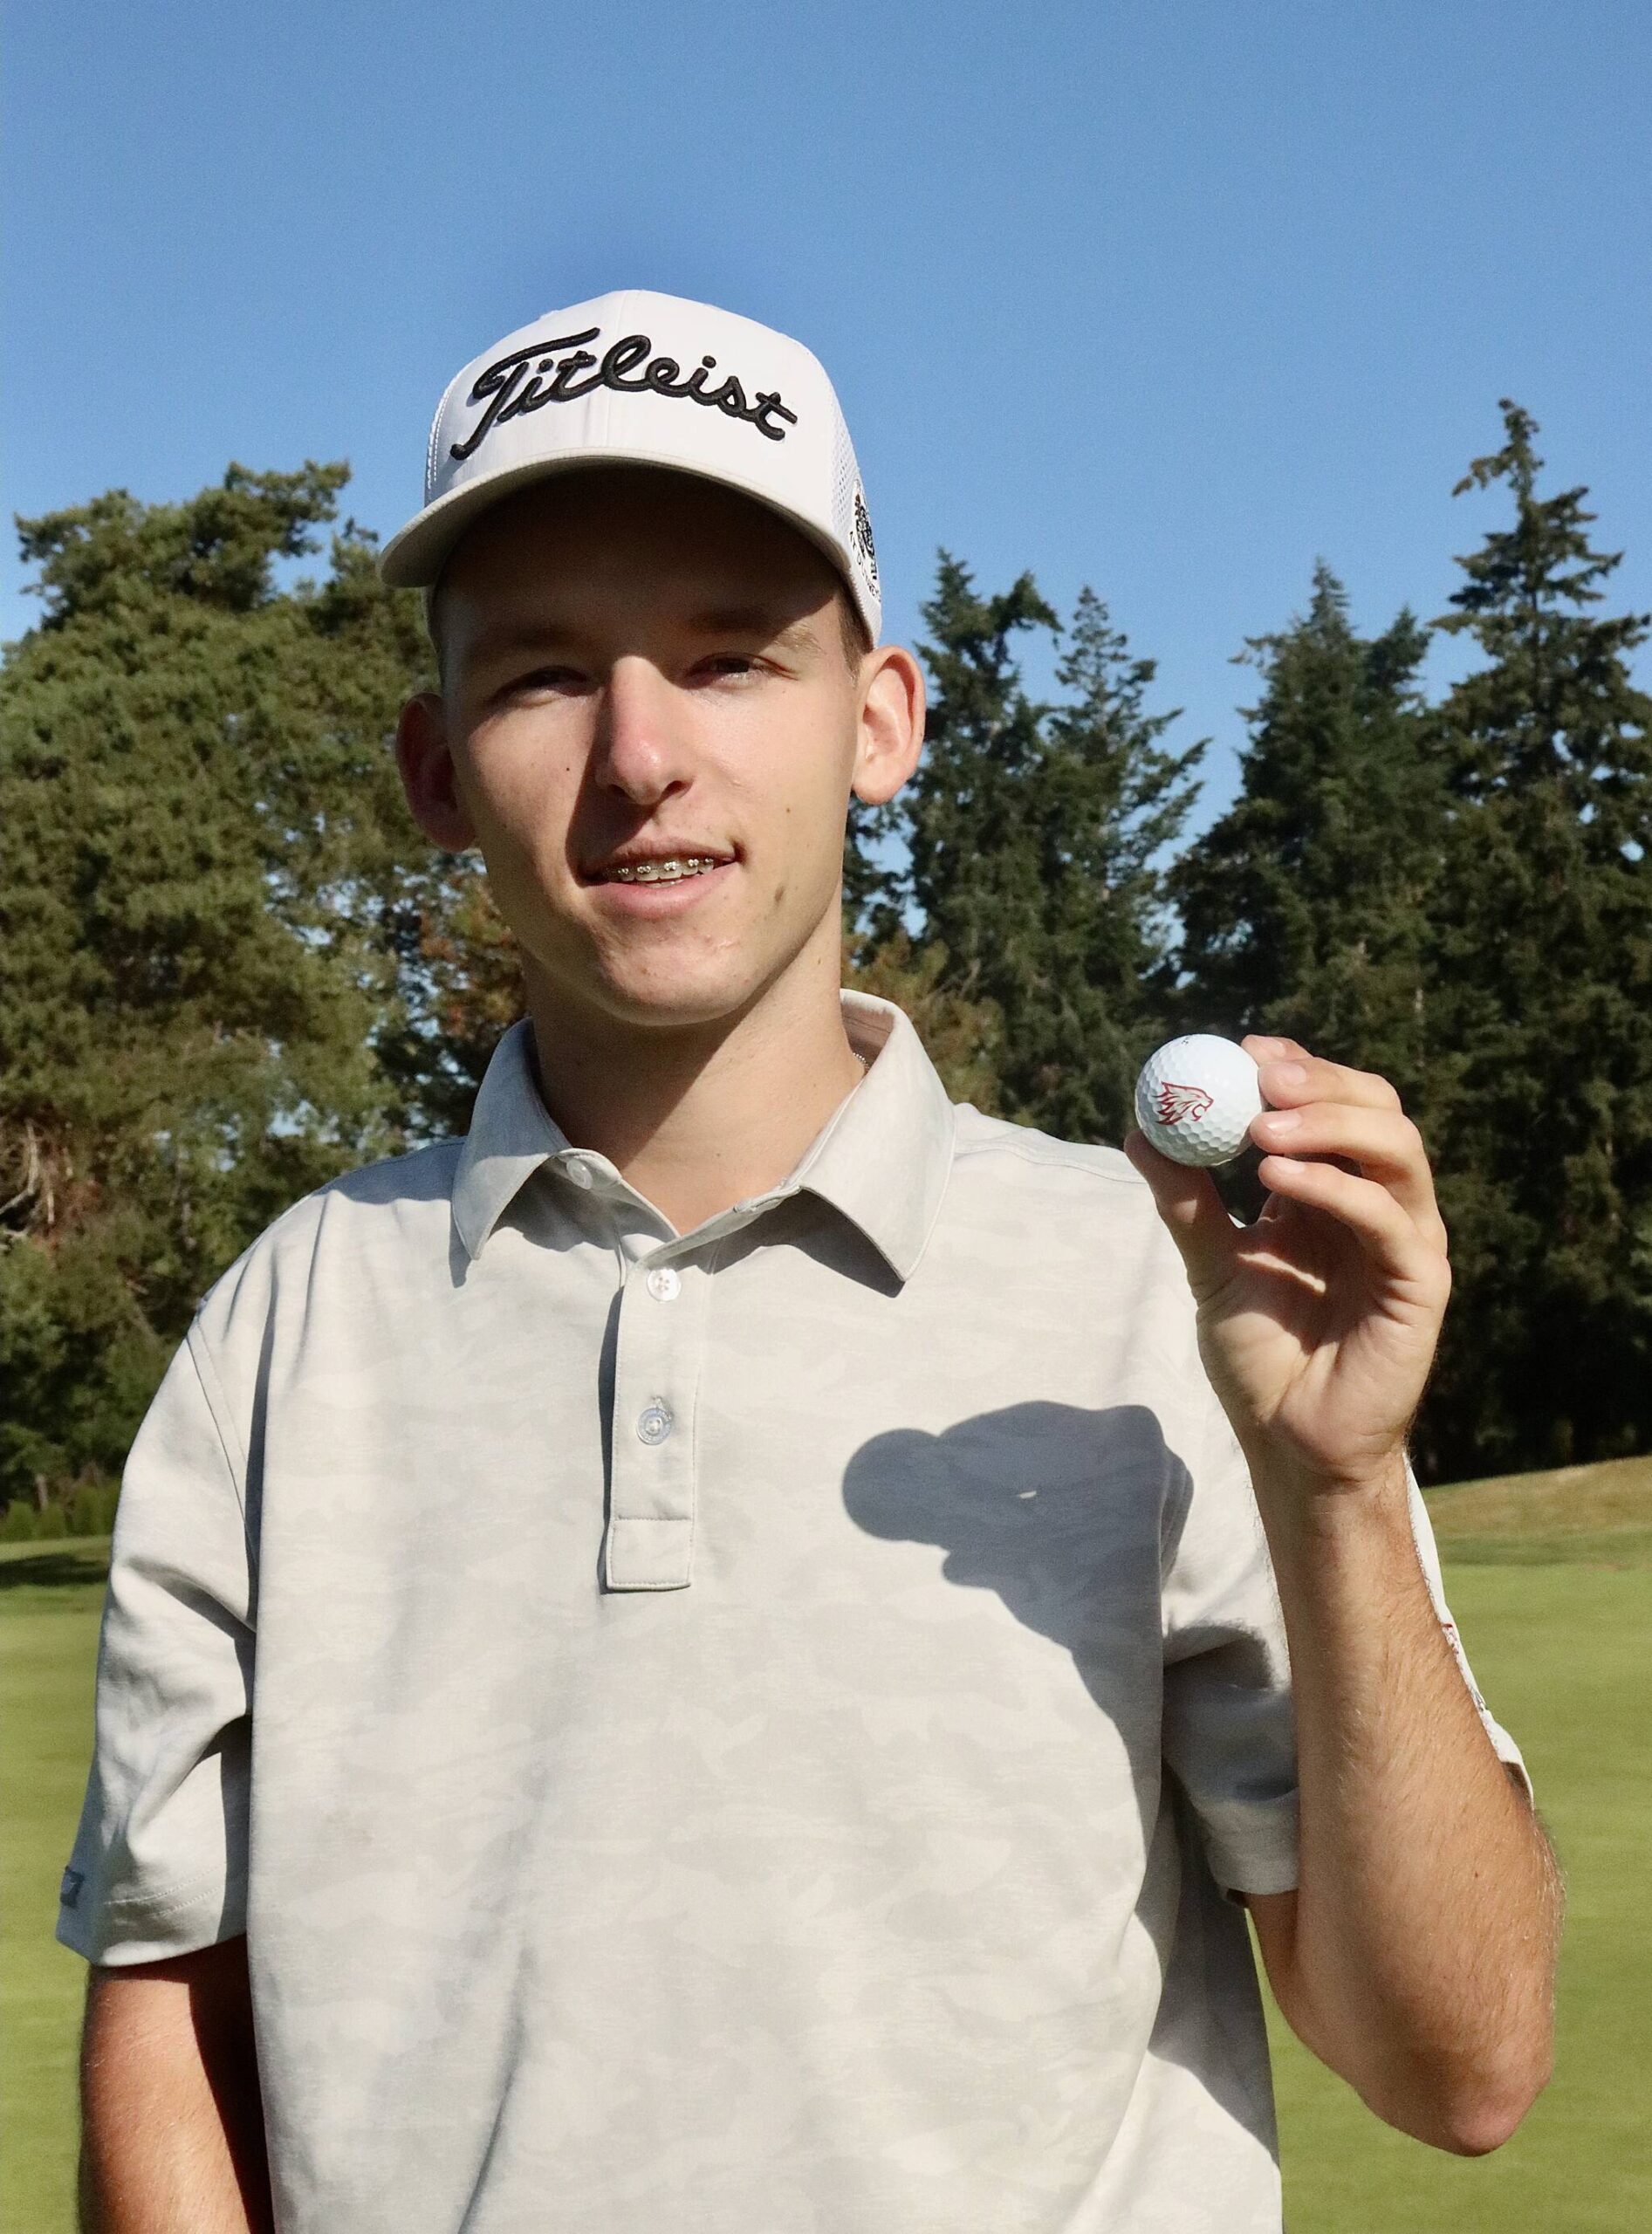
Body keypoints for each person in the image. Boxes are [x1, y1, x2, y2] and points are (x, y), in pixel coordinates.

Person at [58, 290, 1560, 2234]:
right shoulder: (287, 1323)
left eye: (727, 658)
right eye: (537, 678)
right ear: (434, 769)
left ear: (879, 719)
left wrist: (1336, 1481)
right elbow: (169, 2023)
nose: (639, 754)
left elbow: (1460, 2066)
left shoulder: (1148, 1289)